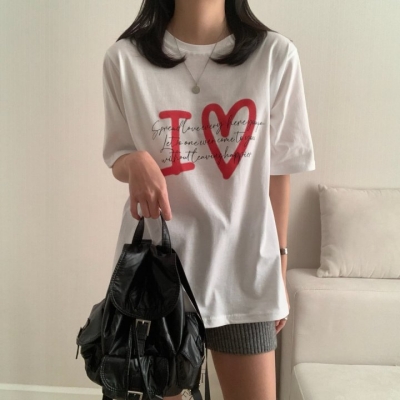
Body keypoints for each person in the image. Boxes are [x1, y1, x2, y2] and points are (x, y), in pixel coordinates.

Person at [101, 0, 315, 399]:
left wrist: (279, 271)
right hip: (156, 275)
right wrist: (134, 162)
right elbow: (117, 154)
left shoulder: (275, 56)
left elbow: (279, 171)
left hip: (245, 270)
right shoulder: (125, 60)